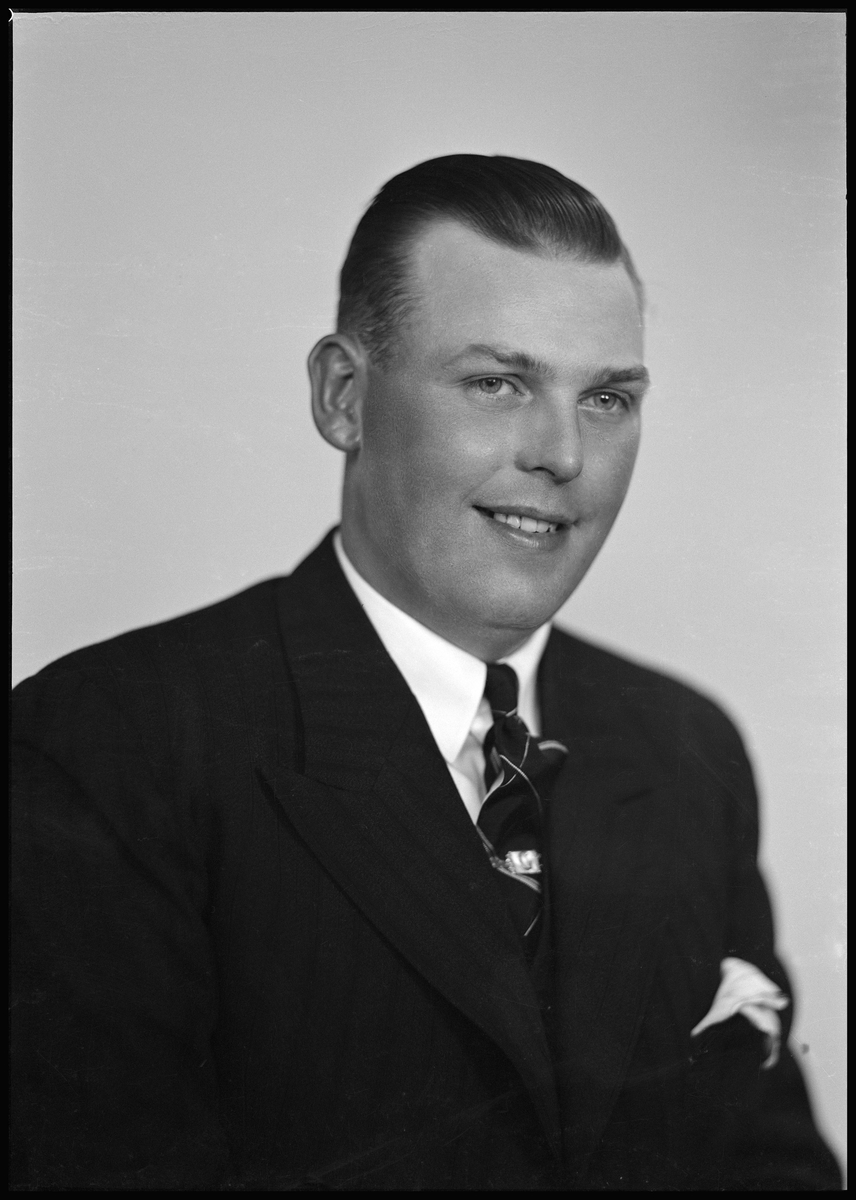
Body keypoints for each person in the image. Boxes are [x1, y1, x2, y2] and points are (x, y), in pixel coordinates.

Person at [11, 154, 842, 1191]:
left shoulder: (682, 748)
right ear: (343, 397)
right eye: (497, 383)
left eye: (607, 398)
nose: (563, 455)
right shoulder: (106, 746)